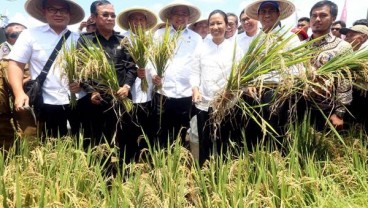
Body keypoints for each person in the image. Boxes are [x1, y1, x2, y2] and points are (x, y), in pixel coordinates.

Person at [7, 0, 88, 138]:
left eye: (62, 10)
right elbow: (15, 64)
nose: (58, 13)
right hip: (46, 101)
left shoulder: (79, 38)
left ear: (69, 13)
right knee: (51, 142)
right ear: (44, 11)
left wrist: (81, 84)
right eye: (52, 9)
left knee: (81, 141)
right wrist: (19, 93)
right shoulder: (30, 35)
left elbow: (87, 68)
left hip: (77, 100)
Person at [77, 1, 137, 155]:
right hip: (97, 100)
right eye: (105, 15)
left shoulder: (122, 40)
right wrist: (91, 92)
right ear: (93, 18)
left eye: (112, 15)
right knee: (99, 140)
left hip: (122, 98)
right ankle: (103, 174)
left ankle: (125, 173)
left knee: (125, 138)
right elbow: (81, 70)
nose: (110, 18)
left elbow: (131, 68)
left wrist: (127, 87)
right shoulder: (86, 40)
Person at [244, 0, 300, 148]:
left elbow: (298, 67)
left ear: (278, 14)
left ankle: (278, 166)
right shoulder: (256, 40)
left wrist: (284, 87)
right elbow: (248, 67)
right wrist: (248, 84)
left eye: (271, 11)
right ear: (258, 15)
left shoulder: (290, 38)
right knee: (256, 136)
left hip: (278, 94)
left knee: (276, 136)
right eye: (263, 12)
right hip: (255, 94)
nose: (267, 15)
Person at [191, 9, 242, 166]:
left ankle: (223, 173)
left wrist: (230, 93)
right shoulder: (201, 47)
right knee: (203, 139)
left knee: (223, 140)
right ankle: (204, 172)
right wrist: (195, 89)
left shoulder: (235, 49)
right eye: (211, 23)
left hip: (226, 103)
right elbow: (194, 71)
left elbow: (239, 76)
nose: (215, 27)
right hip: (204, 103)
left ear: (227, 26)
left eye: (219, 23)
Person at [152, 0, 202, 146]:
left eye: (184, 14)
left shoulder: (196, 38)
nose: (180, 17)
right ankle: (160, 163)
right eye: (176, 13)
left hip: (185, 93)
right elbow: (151, 58)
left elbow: (196, 66)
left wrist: (195, 87)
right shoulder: (159, 35)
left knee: (181, 132)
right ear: (170, 16)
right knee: (161, 130)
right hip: (163, 92)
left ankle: (178, 162)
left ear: (188, 17)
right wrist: (155, 74)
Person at [299, 0, 352, 130]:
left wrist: (339, 113)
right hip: (299, 107)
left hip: (327, 110)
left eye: (323, 15)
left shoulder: (342, 47)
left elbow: (345, 81)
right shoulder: (300, 47)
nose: (317, 19)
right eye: (314, 15)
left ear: (333, 18)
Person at [117, 7, 157, 161]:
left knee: (146, 130)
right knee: (128, 130)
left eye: (141, 19)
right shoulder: (122, 40)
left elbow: (154, 62)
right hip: (128, 93)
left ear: (146, 22)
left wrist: (152, 74)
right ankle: (128, 162)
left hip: (148, 93)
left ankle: (145, 161)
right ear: (129, 22)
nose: (138, 22)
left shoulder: (152, 40)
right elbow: (119, 66)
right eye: (135, 19)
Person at [0, 21, 30, 148]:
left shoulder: (36, 49)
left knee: (28, 122)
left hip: (31, 97)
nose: (19, 37)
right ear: (8, 38)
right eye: (14, 35)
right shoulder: (3, 53)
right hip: (6, 100)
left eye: (22, 34)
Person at [340, 25, 368, 131]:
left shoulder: (364, 55)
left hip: (363, 96)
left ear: (363, 38)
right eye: (346, 35)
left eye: (351, 35)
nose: (346, 38)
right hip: (349, 96)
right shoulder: (348, 53)